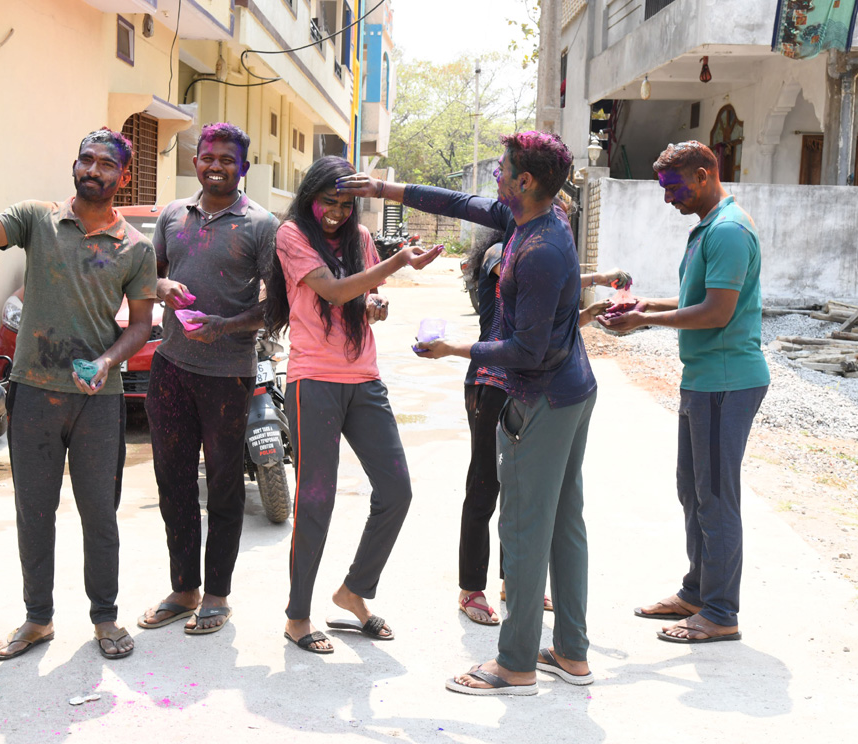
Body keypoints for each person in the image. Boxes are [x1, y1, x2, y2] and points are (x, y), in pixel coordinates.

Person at [0, 128, 158, 661]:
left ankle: (105, 618)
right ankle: (37, 619)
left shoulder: (136, 249)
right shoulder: (37, 219)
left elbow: (140, 325)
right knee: (34, 511)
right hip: (34, 394)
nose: (92, 170)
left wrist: (109, 360)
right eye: (84, 159)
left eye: (105, 164)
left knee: (99, 513)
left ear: (124, 176)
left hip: (97, 399)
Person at [335, 175, 626, 627]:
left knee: (520, 488)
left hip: (527, 383)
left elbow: (553, 305)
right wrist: (382, 188)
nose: (555, 226)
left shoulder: (544, 250)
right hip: (491, 381)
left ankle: (516, 578)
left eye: (561, 218)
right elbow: (542, 274)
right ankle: (472, 588)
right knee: (486, 484)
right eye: (552, 216)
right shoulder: (501, 255)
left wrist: (592, 302)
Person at [406, 132, 597, 695]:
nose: (494, 175)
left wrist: (455, 349)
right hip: (571, 390)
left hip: (542, 398)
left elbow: (525, 351)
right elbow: (458, 203)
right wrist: (388, 186)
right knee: (564, 521)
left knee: (523, 524)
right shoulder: (534, 218)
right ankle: (571, 653)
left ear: (526, 181)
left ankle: (515, 665)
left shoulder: (539, 249)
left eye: (502, 168)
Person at [263, 156, 443, 654]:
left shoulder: (360, 239)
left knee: (396, 491)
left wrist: (377, 305)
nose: (338, 213)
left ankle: (353, 591)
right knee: (315, 502)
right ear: (309, 198)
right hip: (313, 381)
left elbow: (358, 299)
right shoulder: (292, 236)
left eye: (347, 205)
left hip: (364, 379)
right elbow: (335, 289)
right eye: (329, 203)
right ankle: (297, 616)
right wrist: (397, 262)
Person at [600, 141, 768, 644]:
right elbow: (702, 297)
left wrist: (644, 320)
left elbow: (718, 312)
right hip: (703, 378)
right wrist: (650, 302)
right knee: (692, 490)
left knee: (715, 497)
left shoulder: (730, 231)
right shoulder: (708, 228)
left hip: (726, 379)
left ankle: (720, 612)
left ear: (704, 173)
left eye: (674, 188)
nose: (668, 198)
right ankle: (698, 591)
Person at [136, 123, 279, 635]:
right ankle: (183, 588)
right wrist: (160, 287)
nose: (215, 165)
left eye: (226, 158)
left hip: (228, 376)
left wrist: (223, 326)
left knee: (223, 485)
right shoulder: (173, 215)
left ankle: (217, 593)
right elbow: (145, 276)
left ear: (243, 165)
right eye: (206, 157)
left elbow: (276, 307)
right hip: (171, 367)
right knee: (172, 481)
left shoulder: (262, 225)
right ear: (195, 160)